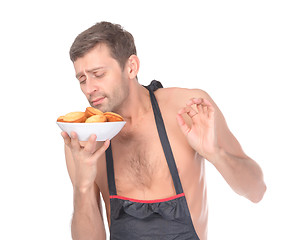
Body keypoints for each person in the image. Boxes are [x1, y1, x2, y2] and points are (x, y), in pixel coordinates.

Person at [61, 21, 266, 240]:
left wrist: (216, 153)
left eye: (98, 74)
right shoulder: (84, 141)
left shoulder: (187, 109)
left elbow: (256, 191)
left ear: (131, 67)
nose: (89, 88)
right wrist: (82, 188)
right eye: (82, 79)